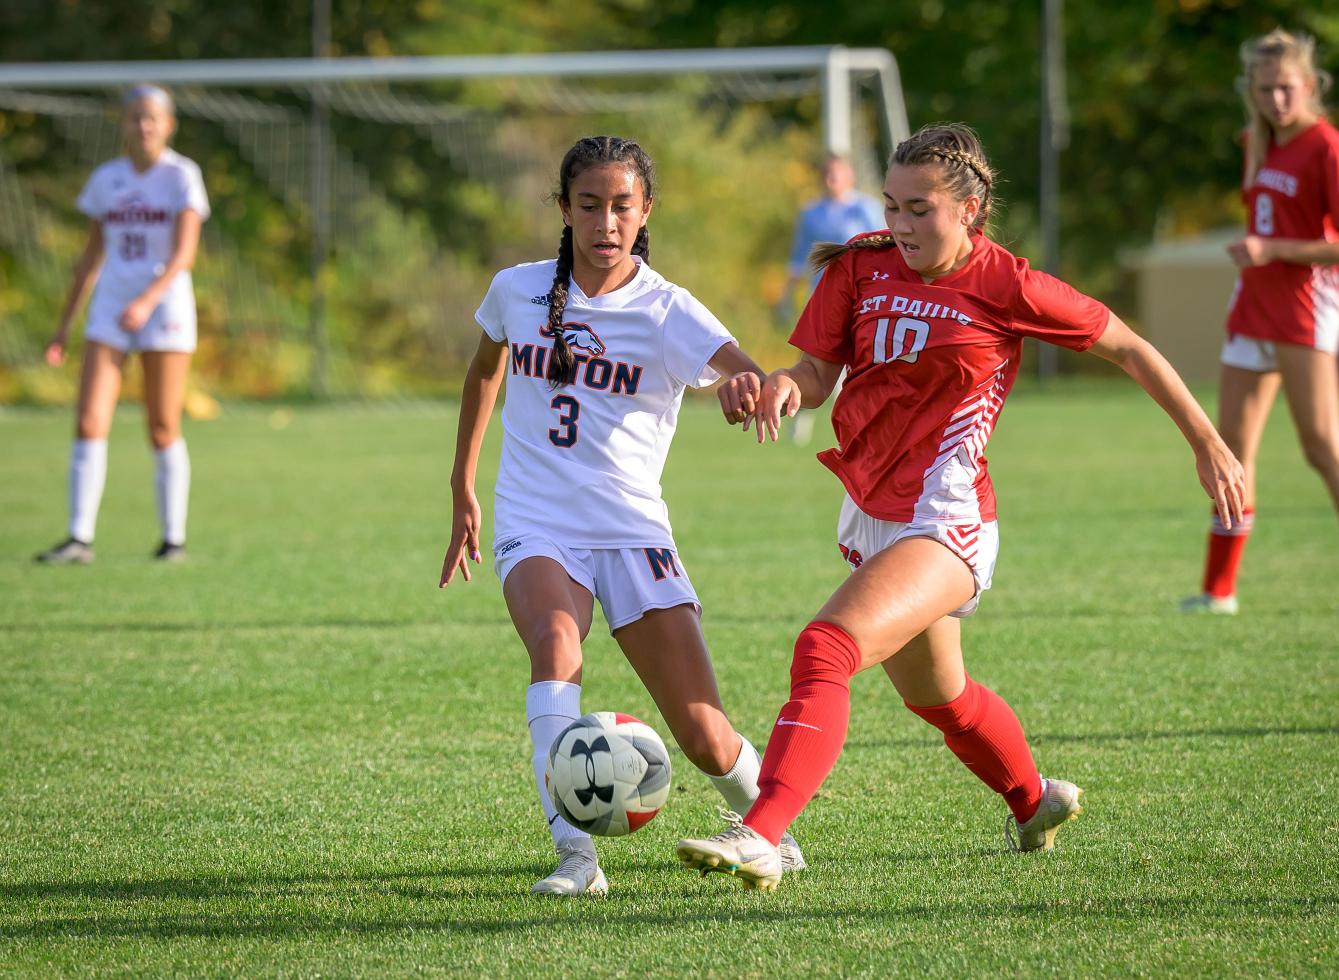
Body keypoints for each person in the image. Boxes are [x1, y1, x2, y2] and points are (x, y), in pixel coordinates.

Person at [674, 123, 1246, 892]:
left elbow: (1129, 347)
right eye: (891, 206)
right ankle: (1033, 800)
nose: (900, 225)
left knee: (826, 648)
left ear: (970, 210)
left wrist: (1207, 443)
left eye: (920, 209)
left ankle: (762, 833)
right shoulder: (861, 268)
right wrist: (785, 384)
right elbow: (817, 369)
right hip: (873, 511)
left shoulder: (1007, 284)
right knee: (941, 698)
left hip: (946, 517)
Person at [440, 135, 804, 897]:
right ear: (564, 210)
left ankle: (770, 829)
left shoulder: (667, 310)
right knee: (555, 645)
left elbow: (745, 370)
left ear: (645, 215)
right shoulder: (518, 289)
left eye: (622, 207)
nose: (606, 222)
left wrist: (748, 390)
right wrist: (463, 483)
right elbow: (484, 369)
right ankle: (575, 855)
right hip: (536, 521)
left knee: (704, 733)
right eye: (589, 205)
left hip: (634, 532)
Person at [1180, 29, 1339, 616]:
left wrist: (1275, 251)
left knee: (1323, 446)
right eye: (1266, 89)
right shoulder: (1256, 141)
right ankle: (1218, 593)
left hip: (1304, 312)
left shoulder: (1328, 147)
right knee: (1232, 454)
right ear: (1251, 89)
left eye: (1287, 88)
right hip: (1252, 310)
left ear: (1310, 86)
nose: (1277, 99)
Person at [37, 84, 208, 564]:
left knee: (161, 423)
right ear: (123, 125)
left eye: (152, 117)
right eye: (135, 117)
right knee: (90, 419)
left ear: (168, 125)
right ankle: (78, 539)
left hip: (165, 308)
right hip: (112, 307)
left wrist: (148, 299)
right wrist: (63, 327)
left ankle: (173, 541)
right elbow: (90, 257)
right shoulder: (106, 179)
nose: (143, 125)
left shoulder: (182, 177)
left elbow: (184, 254)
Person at [779, 154, 884, 445]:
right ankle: (800, 420)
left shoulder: (866, 209)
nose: (831, 180)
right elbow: (800, 256)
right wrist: (786, 294)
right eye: (827, 174)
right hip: (824, 296)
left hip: (864, 298)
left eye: (836, 174)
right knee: (814, 361)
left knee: (857, 362)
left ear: (850, 176)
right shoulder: (812, 213)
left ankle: (854, 426)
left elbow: (884, 246)